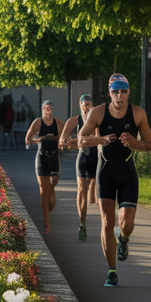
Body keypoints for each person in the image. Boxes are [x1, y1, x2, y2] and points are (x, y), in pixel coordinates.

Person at [78, 74, 151, 287]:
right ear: (109, 93)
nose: (119, 96)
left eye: (123, 91)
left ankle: (124, 238)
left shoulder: (137, 113)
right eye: (115, 92)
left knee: (126, 224)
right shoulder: (98, 112)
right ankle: (111, 271)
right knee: (107, 221)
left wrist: (134, 144)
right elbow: (81, 140)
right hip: (106, 172)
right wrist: (100, 139)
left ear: (128, 92)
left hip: (127, 173)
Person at [60, 93, 99, 242]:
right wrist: (66, 142)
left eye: (88, 106)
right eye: (84, 106)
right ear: (80, 106)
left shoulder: (97, 121)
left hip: (97, 158)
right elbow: (62, 140)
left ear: (92, 106)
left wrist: (81, 140)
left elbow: (99, 139)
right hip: (83, 158)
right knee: (81, 189)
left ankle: (107, 225)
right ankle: (82, 224)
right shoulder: (74, 121)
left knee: (98, 195)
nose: (86, 109)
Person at [25, 99, 62, 235]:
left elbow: (65, 137)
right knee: (43, 190)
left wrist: (57, 139)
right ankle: (46, 224)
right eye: (45, 108)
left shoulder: (58, 123)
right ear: (42, 110)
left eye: (49, 108)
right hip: (41, 158)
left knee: (51, 190)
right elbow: (27, 140)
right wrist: (40, 139)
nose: (47, 111)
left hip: (54, 158)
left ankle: (51, 190)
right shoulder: (37, 123)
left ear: (52, 109)